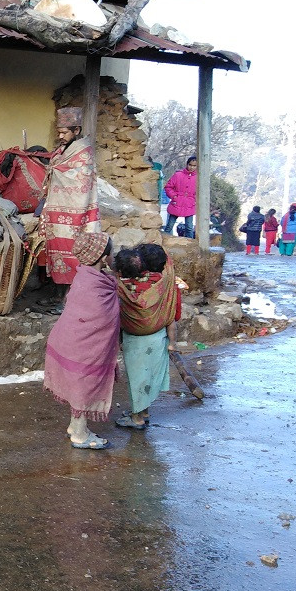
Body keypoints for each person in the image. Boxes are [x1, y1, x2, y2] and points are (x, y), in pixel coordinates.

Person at [43, 231, 120, 450]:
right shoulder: (96, 286)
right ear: (103, 257)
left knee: (79, 384)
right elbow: (101, 318)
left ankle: (75, 425)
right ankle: (79, 432)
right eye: (111, 252)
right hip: (84, 346)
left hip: (68, 339)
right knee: (85, 384)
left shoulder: (84, 276)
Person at [37, 106, 100, 308]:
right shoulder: (63, 150)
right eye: (59, 133)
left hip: (76, 214)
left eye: (65, 133)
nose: (61, 136)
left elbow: (81, 180)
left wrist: (57, 169)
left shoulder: (84, 153)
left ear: (77, 131)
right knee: (55, 252)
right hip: (57, 211)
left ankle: (69, 301)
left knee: (73, 255)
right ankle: (58, 295)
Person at [114, 242, 180, 431]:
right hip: (159, 336)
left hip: (135, 339)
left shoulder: (125, 285)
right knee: (146, 377)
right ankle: (144, 412)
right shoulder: (163, 282)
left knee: (137, 379)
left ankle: (137, 419)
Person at [163, 156, 197, 237]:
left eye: (194, 165)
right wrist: (174, 196)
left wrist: (194, 199)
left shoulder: (198, 178)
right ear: (187, 164)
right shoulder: (178, 175)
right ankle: (163, 243)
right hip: (176, 203)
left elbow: (201, 191)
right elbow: (168, 187)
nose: (191, 167)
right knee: (169, 226)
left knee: (189, 227)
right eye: (190, 165)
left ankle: (190, 246)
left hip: (190, 204)